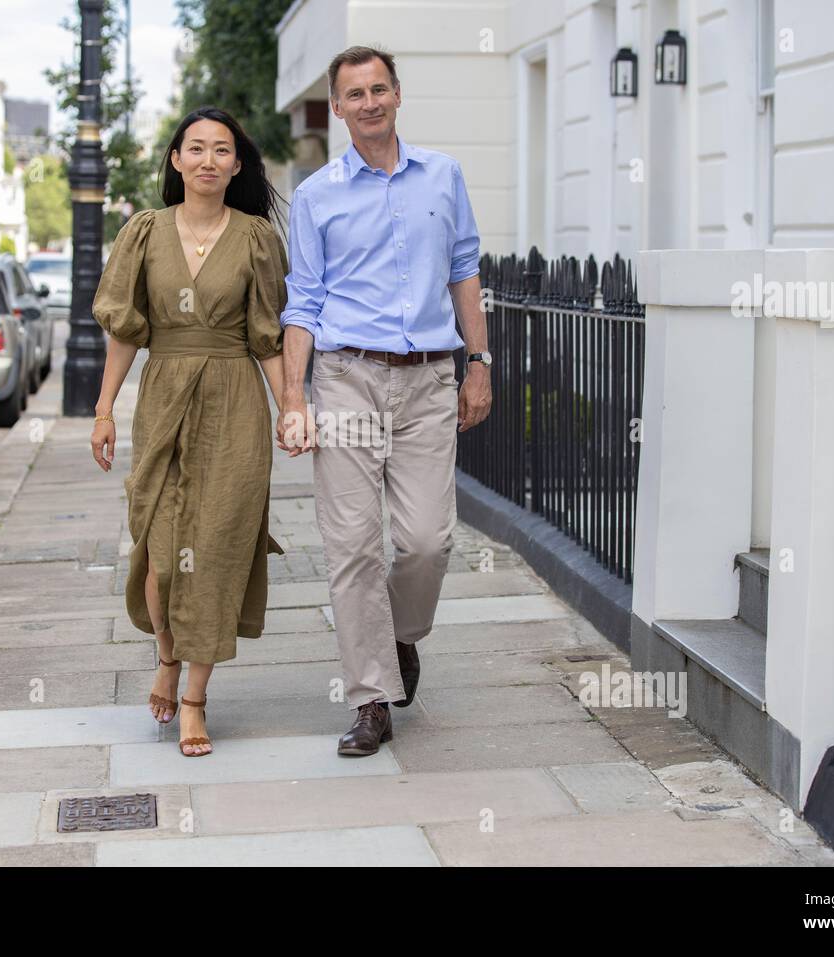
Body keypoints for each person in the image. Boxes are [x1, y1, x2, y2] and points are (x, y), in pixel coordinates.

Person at [276, 46, 494, 756]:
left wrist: (480, 361)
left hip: (429, 376)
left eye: (379, 89)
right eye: (353, 94)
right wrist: (292, 399)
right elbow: (302, 303)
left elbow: (464, 269)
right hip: (346, 377)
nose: (368, 102)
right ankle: (371, 696)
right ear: (336, 107)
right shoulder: (316, 197)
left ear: (397, 95)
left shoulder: (444, 175)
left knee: (429, 540)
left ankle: (399, 636)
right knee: (352, 546)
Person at [91, 107, 290, 757]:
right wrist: (102, 408)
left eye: (222, 150)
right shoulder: (143, 233)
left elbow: (268, 335)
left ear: (237, 165)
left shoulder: (257, 238)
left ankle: (196, 698)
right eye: (195, 148)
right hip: (165, 393)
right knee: (158, 543)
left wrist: (292, 403)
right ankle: (167, 653)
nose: (208, 159)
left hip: (235, 401)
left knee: (217, 545)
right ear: (175, 160)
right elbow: (125, 329)